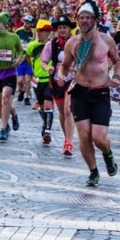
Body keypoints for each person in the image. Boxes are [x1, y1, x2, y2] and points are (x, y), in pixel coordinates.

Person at [57, 0, 120, 187]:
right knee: (84, 135)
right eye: (81, 18)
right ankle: (93, 171)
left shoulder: (105, 39)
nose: (83, 21)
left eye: (87, 17)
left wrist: (116, 77)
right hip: (79, 92)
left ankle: (107, 154)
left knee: (99, 138)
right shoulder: (72, 42)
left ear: (95, 19)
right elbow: (65, 67)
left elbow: (117, 61)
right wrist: (61, 76)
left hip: (100, 92)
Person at [41, 15, 76, 156]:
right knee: (62, 112)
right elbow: (43, 61)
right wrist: (47, 68)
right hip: (56, 80)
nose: (62, 30)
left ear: (70, 29)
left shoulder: (76, 43)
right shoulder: (51, 44)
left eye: (65, 27)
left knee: (68, 110)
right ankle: (66, 137)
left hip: (72, 80)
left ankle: (69, 142)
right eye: (60, 27)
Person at [0, 12, 23, 141]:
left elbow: (20, 50)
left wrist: (18, 59)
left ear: (4, 24)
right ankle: (13, 115)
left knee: (5, 98)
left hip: (10, 72)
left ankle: (3, 128)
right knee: (0, 103)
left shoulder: (14, 37)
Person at [26, 20, 53, 144]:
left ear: (48, 32)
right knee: (41, 105)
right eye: (38, 31)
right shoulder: (32, 45)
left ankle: (48, 130)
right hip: (37, 80)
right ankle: (44, 123)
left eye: (43, 31)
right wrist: (32, 70)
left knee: (48, 104)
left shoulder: (53, 45)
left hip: (50, 79)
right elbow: (27, 56)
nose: (40, 33)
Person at [14, 15, 36, 106]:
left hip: (28, 59)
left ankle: (27, 97)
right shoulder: (18, 31)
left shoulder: (33, 33)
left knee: (27, 80)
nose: (26, 24)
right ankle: (22, 90)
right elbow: (14, 44)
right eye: (25, 22)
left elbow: (34, 45)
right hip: (20, 59)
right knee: (19, 81)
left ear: (31, 24)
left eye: (28, 23)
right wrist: (17, 56)